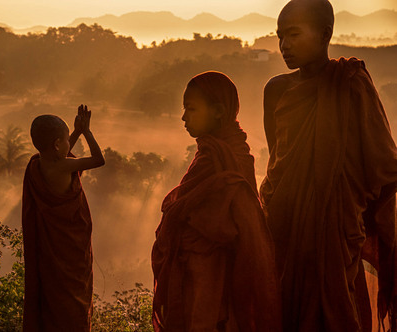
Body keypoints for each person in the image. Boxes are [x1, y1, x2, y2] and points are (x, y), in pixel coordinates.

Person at [260, 0, 397, 331]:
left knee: (336, 312)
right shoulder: (276, 90)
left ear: (325, 34)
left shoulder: (351, 84)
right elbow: (279, 159)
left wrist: (344, 202)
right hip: (284, 226)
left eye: (293, 35)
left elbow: (382, 164)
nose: (284, 46)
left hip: (336, 229)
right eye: (279, 36)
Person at [152, 71, 281, 331]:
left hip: (213, 269)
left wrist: (175, 213)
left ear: (219, 111)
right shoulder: (222, 151)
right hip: (207, 267)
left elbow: (212, 216)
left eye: (191, 109)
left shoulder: (221, 156)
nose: (184, 117)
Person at [22, 105, 105, 331]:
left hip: (52, 251)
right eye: (67, 139)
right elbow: (99, 160)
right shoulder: (65, 166)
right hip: (70, 250)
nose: (70, 143)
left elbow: (60, 152)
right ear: (58, 144)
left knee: (55, 300)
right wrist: (86, 131)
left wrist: (75, 133)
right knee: (73, 302)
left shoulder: (36, 165)